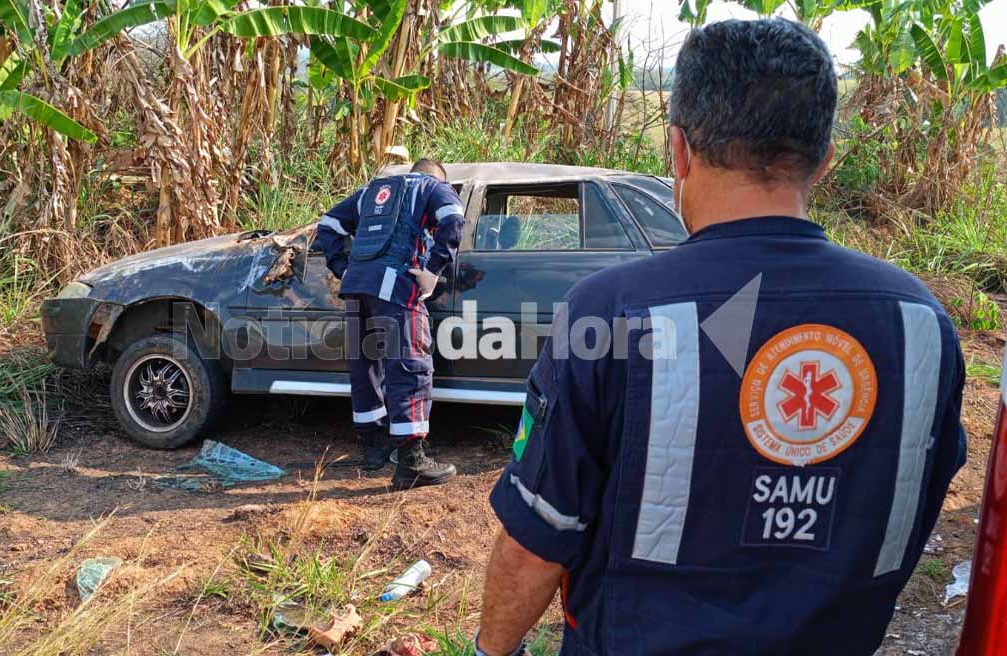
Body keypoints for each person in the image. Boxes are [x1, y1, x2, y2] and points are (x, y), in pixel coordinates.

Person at [476, 19, 966, 656]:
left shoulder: (610, 312)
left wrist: (491, 650)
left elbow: (538, 537)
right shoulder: (922, 323)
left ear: (679, 150)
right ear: (825, 159)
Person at [315, 159, 463, 489]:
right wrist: (433, 271)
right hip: (394, 287)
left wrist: (343, 267)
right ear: (438, 177)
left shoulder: (371, 191)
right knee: (410, 365)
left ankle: (374, 447)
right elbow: (453, 219)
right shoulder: (432, 187)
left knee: (365, 366)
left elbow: (328, 224)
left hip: (357, 286)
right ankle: (412, 462)